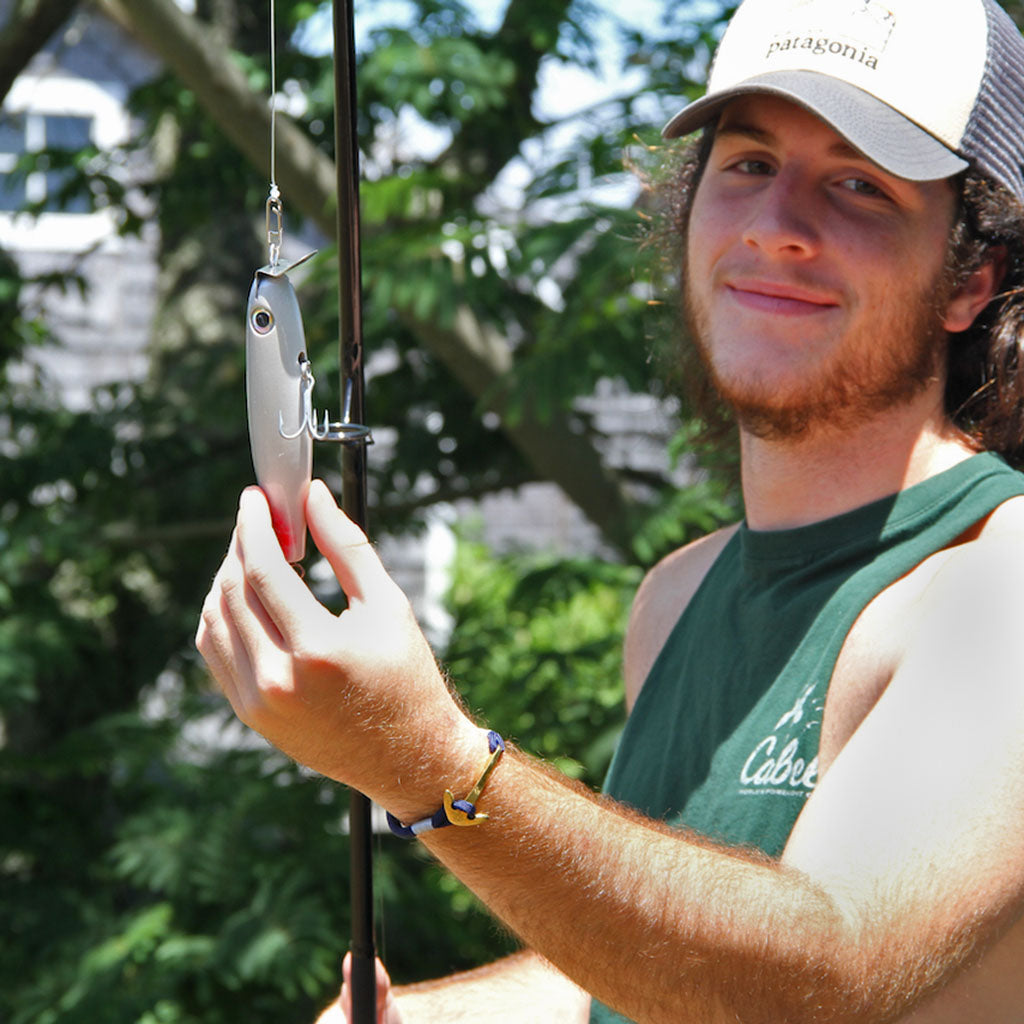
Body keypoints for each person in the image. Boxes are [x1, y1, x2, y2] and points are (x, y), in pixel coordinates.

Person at [196, 0, 1024, 1020]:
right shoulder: (673, 599)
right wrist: (435, 1018)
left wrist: (432, 765)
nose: (777, 227)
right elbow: (649, 961)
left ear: (970, 278)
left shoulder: (998, 584)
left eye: (857, 184)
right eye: (749, 165)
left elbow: (822, 980)